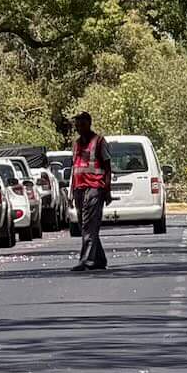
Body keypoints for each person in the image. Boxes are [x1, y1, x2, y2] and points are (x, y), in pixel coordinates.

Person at [69, 112, 111, 272]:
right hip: (80, 188)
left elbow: (107, 167)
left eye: (82, 125)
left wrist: (107, 190)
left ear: (89, 124)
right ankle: (99, 259)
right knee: (84, 225)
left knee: (89, 225)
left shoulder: (99, 141)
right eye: (77, 126)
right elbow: (75, 168)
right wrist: (72, 192)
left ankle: (86, 260)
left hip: (95, 187)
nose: (79, 128)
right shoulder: (77, 144)